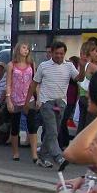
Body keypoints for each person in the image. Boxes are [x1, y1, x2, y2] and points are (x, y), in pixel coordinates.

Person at [25, 41, 80, 170]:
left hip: (61, 102)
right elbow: (33, 84)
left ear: (64, 53)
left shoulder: (69, 66)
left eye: (61, 53)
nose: (59, 56)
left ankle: (42, 156)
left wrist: (82, 67)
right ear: (52, 53)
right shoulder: (44, 66)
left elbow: (79, 79)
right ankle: (58, 157)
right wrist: (27, 102)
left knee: (52, 132)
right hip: (46, 102)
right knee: (52, 131)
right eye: (56, 53)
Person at [6, 43, 39, 163]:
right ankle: (15, 152)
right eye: (24, 47)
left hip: (28, 98)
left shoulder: (31, 64)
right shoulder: (11, 65)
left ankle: (34, 154)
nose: (26, 50)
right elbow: (8, 83)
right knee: (15, 126)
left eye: (27, 48)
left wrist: (38, 97)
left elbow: (35, 82)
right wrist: (8, 99)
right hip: (15, 98)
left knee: (32, 126)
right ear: (18, 49)